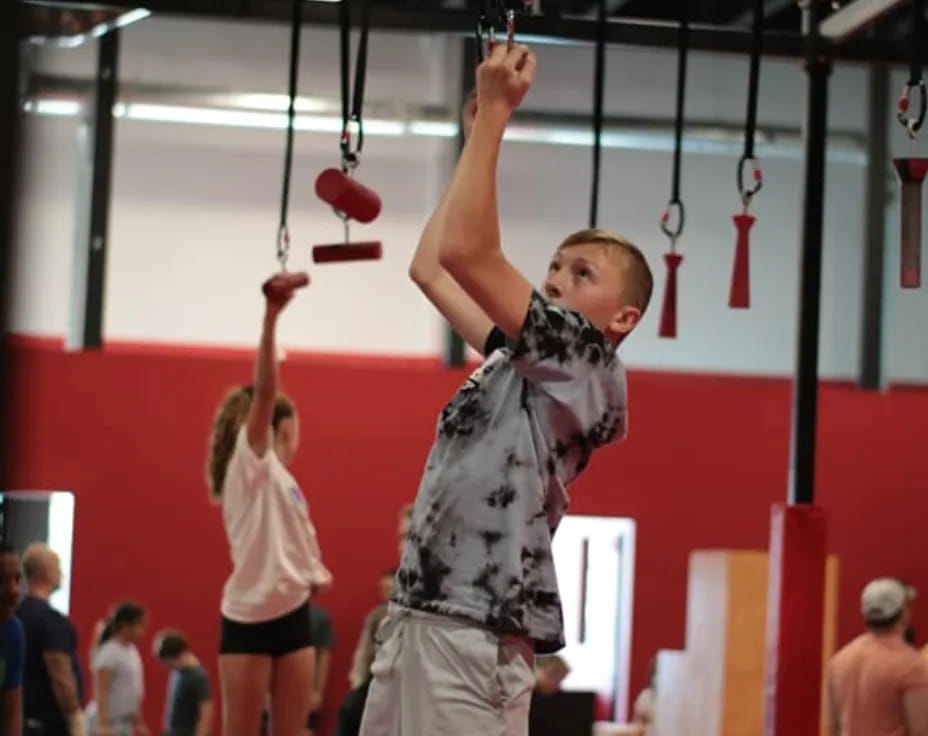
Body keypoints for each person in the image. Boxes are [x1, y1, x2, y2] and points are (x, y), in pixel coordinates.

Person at [360, 41, 652, 736]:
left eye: (583, 274)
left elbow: (467, 253)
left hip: (476, 632)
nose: (556, 278)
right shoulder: (511, 358)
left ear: (623, 317)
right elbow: (431, 269)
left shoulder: (587, 362)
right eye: (555, 265)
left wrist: (495, 115)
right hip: (415, 618)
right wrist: (472, 139)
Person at [208, 271, 332, 736]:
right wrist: (270, 318)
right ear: (280, 427)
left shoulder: (282, 480)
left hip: (293, 613)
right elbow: (264, 391)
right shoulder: (251, 461)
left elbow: (292, 539)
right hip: (248, 617)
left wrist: (312, 574)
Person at [827, 578, 928, 736]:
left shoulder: (840, 660)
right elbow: (921, 730)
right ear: (904, 614)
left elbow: (832, 728)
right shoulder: (911, 665)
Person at [18, 543, 85, 736]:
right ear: (47, 571)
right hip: (48, 725)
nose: (61, 573)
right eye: (58, 567)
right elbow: (59, 668)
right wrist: (73, 714)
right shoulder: (52, 621)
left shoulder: (16, 616)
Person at [334, 571, 396, 736]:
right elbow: (365, 649)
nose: (386, 591)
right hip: (375, 677)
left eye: (390, 587)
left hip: (402, 679)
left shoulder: (410, 617)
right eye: (383, 587)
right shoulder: (377, 615)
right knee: (350, 710)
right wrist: (357, 680)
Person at [86, 602, 150, 736]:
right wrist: (103, 724)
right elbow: (101, 690)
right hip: (109, 724)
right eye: (140, 625)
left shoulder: (131, 650)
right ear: (126, 626)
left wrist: (138, 721)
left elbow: (132, 688)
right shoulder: (110, 652)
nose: (143, 631)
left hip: (124, 723)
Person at [153, 630, 212, 736]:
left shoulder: (197, 676)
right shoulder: (176, 671)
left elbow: (206, 711)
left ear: (181, 654)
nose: (166, 666)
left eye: (168, 661)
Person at [0, 543, 25, 736]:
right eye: (1, 581)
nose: (14, 591)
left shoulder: (12, 630)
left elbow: (11, 712)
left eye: (17, 580)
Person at [306, 605, 333, 736]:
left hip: (306, 687)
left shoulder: (318, 617)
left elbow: (323, 656)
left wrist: (318, 692)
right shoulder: (272, 614)